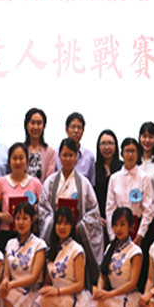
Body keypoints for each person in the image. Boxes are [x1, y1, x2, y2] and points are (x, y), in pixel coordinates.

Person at [84, 207, 146, 307]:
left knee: (102, 304)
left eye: (122, 224)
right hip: (113, 297)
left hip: (129, 298)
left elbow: (132, 283)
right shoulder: (110, 248)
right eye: (115, 225)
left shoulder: (135, 251)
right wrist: (100, 290)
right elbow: (103, 274)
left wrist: (109, 294)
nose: (118, 229)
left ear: (131, 227)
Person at [33, 205, 93, 307]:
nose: (62, 227)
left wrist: (57, 292)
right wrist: (46, 288)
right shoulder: (51, 250)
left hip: (72, 297)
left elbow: (80, 285)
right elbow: (48, 281)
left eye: (66, 223)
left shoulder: (77, 249)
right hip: (55, 298)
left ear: (72, 226)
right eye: (59, 223)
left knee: (47, 298)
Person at [39, 137, 105, 266]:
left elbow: (93, 211)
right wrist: (55, 224)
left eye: (71, 155)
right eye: (64, 155)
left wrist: (80, 227)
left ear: (76, 157)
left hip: (77, 232)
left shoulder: (84, 183)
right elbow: (44, 209)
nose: (68, 159)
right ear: (59, 156)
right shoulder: (50, 182)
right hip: (56, 231)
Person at [0, 201, 47, 307]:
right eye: (17, 218)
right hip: (15, 293)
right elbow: (6, 273)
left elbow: (34, 277)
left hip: (32, 294)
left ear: (32, 220)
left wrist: (11, 284)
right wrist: (5, 280)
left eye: (25, 218)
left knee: (8, 293)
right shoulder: (10, 243)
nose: (21, 222)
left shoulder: (39, 244)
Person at [0, 143, 43, 250]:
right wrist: (2, 216)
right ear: (9, 161)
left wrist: (35, 216)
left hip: (30, 234)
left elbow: (42, 208)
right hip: (6, 233)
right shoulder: (2, 182)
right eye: (14, 158)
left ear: (27, 161)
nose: (18, 162)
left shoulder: (35, 183)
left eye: (21, 158)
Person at [105, 136, 153, 245]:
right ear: (121, 154)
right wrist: (112, 236)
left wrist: (140, 235)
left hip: (138, 228)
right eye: (127, 151)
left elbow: (148, 210)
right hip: (118, 229)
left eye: (133, 151)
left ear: (138, 154)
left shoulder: (144, 178)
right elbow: (110, 209)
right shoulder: (114, 178)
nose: (130, 155)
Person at [54, 112, 95, 182]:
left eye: (79, 127)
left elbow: (92, 184)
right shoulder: (55, 154)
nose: (76, 131)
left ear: (83, 131)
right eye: (73, 127)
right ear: (66, 130)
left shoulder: (89, 157)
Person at [93, 129, 122, 222]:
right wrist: (98, 218)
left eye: (110, 143)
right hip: (97, 219)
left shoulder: (122, 168)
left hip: (119, 220)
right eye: (103, 143)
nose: (106, 147)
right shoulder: (93, 168)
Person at [23, 107, 55, 183]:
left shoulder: (50, 152)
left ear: (44, 126)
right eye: (32, 123)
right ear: (27, 125)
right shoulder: (21, 150)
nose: (35, 127)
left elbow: (49, 180)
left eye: (39, 123)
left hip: (44, 190)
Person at [137, 121, 154, 189]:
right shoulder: (134, 161)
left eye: (151, 137)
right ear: (140, 138)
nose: (147, 140)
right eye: (144, 136)